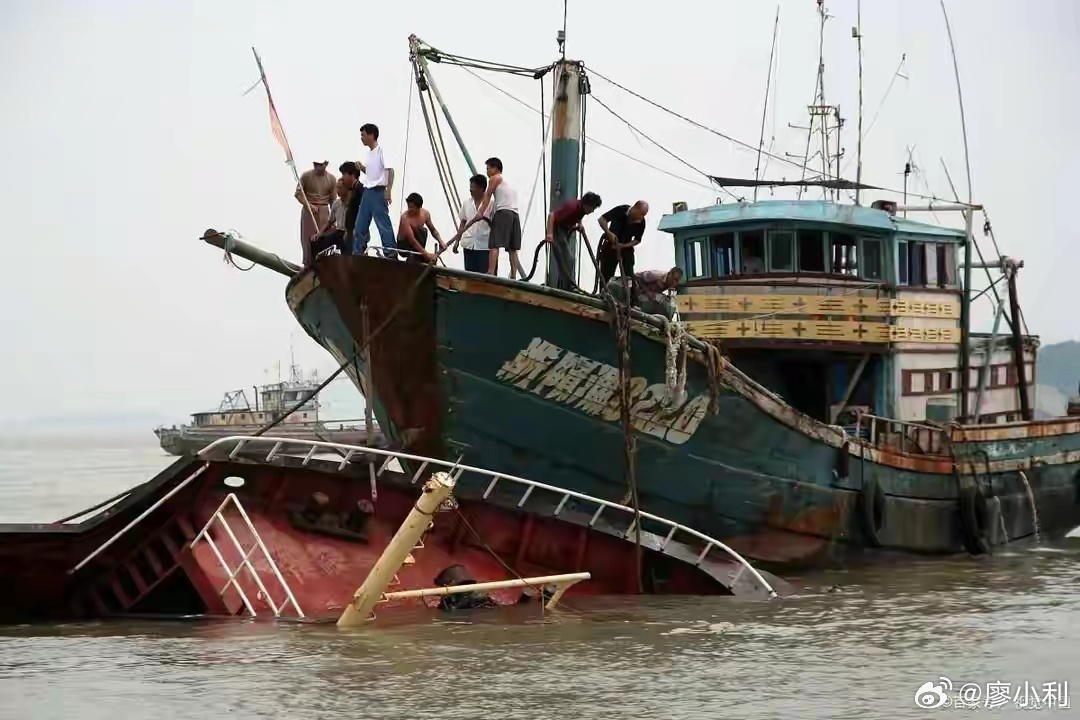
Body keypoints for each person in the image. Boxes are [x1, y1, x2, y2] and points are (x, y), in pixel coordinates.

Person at [453, 157, 521, 278]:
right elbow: (463, 222)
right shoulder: (508, 181)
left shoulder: (495, 178)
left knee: (494, 244)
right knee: (512, 247)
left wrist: (480, 213)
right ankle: (514, 274)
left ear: (495, 168)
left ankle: (490, 271)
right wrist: (457, 241)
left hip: (503, 212)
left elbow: (488, 195)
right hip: (514, 214)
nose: (487, 171)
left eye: (488, 168)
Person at [353, 123, 396, 257]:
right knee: (360, 224)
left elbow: (390, 170)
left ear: (371, 135)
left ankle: (390, 253)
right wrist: (362, 168)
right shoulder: (369, 154)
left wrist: (388, 190)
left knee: (383, 224)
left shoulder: (381, 150)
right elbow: (373, 173)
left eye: (363, 135)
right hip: (368, 192)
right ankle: (358, 252)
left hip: (378, 192)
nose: (362, 138)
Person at [545, 191, 602, 290]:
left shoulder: (582, 209)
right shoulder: (572, 207)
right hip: (557, 228)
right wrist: (549, 234)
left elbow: (579, 215)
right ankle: (568, 286)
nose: (592, 211)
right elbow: (552, 215)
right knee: (567, 259)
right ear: (587, 204)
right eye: (592, 208)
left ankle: (566, 285)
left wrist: (579, 224)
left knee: (567, 260)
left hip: (566, 229)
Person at [597, 201, 649, 285]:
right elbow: (602, 219)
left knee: (629, 277)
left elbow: (637, 240)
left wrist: (623, 246)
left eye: (643, 215)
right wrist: (608, 232)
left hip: (626, 250)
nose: (641, 217)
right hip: (611, 246)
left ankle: (629, 296)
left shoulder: (642, 221)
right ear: (635, 208)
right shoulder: (620, 210)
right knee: (606, 275)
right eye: (640, 214)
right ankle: (604, 294)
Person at [295, 160, 337, 265]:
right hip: (309, 211)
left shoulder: (331, 179)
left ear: (326, 164)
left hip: (324, 211)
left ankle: (323, 262)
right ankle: (307, 263)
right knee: (308, 239)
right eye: (316, 164)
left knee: (324, 236)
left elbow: (333, 201)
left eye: (320, 165)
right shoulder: (306, 176)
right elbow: (298, 194)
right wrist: (308, 205)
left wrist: (335, 217)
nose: (317, 167)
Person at [606, 267, 684, 318]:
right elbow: (636, 278)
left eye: (677, 281)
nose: (675, 282)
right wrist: (647, 292)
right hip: (633, 284)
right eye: (674, 279)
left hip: (643, 294)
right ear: (669, 274)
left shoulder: (669, 284)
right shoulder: (655, 275)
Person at [452, 174, 492, 273]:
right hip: (468, 244)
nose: (470, 190)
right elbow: (462, 222)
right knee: (469, 274)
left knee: (483, 276)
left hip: (484, 246)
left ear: (481, 188)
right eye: (470, 187)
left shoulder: (491, 204)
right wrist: (457, 241)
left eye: (473, 187)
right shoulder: (466, 203)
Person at [396, 192, 446, 264]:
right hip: (404, 246)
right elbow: (412, 240)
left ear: (419, 207)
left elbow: (432, 229)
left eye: (412, 207)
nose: (409, 209)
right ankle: (416, 256)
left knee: (423, 230)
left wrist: (440, 241)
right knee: (419, 255)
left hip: (416, 242)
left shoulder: (425, 214)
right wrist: (427, 255)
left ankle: (419, 256)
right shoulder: (405, 218)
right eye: (408, 207)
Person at [310, 178, 350, 260]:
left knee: (345, 244)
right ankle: (316, 265)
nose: (338, 190)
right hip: (338, 232)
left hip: (348, 232)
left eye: (340, 188)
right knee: (316, 241)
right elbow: (330, 222)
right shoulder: (336, 203)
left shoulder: (352, 203)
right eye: (337, 188)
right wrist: (319, 233)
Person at [338, 161, 364, 249]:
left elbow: (362, 213)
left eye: (344, 174)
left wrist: (355, 229)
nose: (343, 178)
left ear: (352, 175)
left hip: (356, 232)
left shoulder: (361, 191)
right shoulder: (352, 190)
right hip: (350, 231)